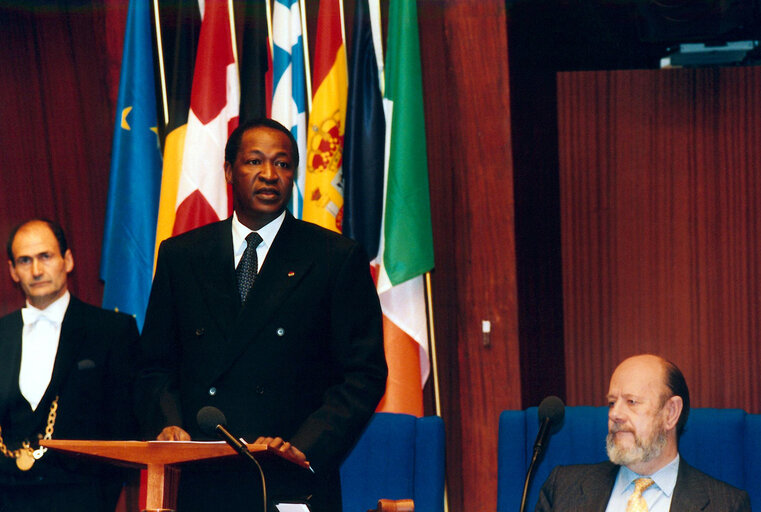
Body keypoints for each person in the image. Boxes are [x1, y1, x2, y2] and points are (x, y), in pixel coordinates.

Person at [135, 118, 388, 512]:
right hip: (202, 476)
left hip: (290, 476)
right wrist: (169, 423)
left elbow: (363, 374)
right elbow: (154, 365)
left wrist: (303, 446)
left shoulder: (334, 258)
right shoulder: (181, 256)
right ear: (229, 171)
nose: (270, 175)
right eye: (254, 162)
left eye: (283, 164)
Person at [0, 219, 139, 512]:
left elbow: (125, 428)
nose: (36, 270)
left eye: (45, 256)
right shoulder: (2, 334)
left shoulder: (112, 331)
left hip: (83, 499)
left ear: (68, 260)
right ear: (12, 271)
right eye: (25, 261)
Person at [535, 354, 751, 511]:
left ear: (670, 413)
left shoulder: (726, 505)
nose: (615, 414)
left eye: (632, 402)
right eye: (612, 402)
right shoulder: (563, 489)